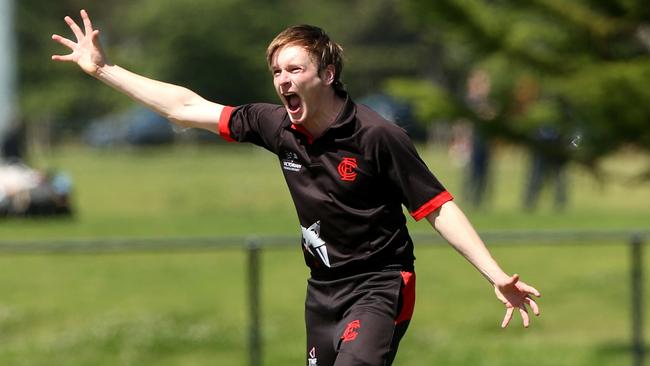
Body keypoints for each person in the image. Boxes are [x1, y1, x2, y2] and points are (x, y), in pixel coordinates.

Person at [52, 10, 541, 366]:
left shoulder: (377, 136)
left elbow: (438, 207)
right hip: (321, 292)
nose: (283, 81)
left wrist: (495, 274)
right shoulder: (276, 125)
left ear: (327, 75)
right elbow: (185, 107)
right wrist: (102, 69)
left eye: (295, 69)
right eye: (277, 72)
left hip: (380, 285)